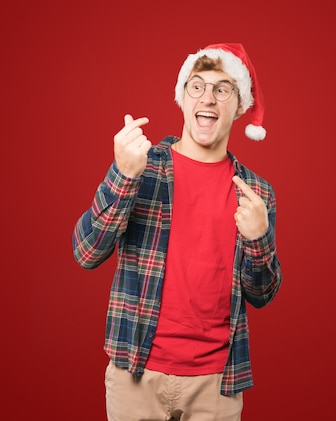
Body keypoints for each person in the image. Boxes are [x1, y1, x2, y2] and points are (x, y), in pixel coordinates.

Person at [72, 43, 282, 421]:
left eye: (223, 89)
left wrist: (258, 238)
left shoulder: (256, 193)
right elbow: (86, 253)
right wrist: (122, 175)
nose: (209, 98)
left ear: (238, 107)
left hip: (216, 384)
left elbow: (262, 293)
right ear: (183, 98)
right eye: (197, 86)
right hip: (135, 372)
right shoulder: (142, 166)